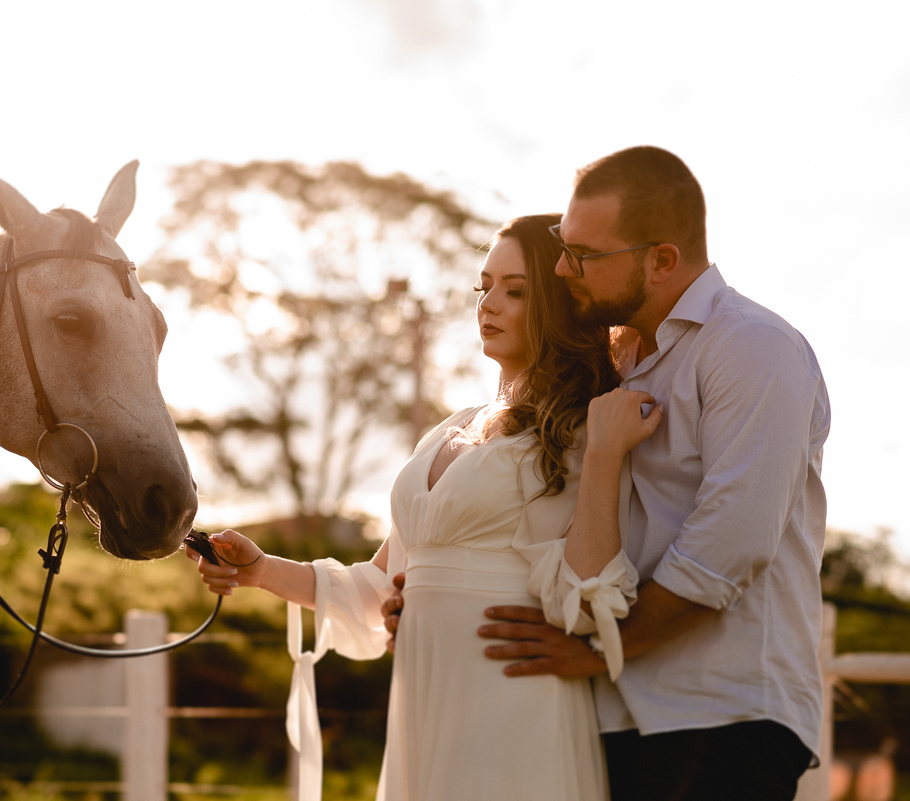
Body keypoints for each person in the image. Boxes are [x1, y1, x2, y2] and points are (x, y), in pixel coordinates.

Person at [388, 146, 831, 801]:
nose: (564, 268)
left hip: (721, 714)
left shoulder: (752, 347)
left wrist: (603, 650)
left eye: (586, 255)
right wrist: (433, 600)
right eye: (566, 248)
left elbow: (732, 542)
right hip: (607, 715)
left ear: (661, 259)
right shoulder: (616, 366)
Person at [187, 214, 662, 801]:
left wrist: (608, 451)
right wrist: (259, 570)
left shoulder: (584, 427)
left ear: (562, 304)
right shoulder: (449, 431)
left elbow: (589, 589)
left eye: (515, 291)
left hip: (516, 695)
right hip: (426, 695)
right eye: (483, 287)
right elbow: (379, 587)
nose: (488, 304)